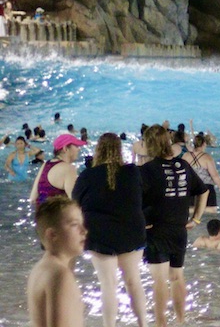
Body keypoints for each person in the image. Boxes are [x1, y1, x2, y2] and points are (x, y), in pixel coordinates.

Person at [71, 133, 148, 327]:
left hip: (99, 235)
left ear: (98, 150)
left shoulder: (87, 175)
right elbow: (144, 199)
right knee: (133, 282)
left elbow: (74, 204)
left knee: (108, 285)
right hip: (131, 231)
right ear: (119, 150)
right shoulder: (132, 172)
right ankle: (143, 324)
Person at [139, 123, 207, 326]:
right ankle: (180, 320)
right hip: (180, 229)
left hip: (156, 229)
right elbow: (203, 191)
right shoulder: (183, 165)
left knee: (159, 280)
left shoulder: (147, 170)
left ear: (150, 145)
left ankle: (161, 323)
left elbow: (133, 200)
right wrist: (196, 218)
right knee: (177, 276)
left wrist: (139, 223)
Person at [27, 196, 87, 327]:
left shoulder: (40, 269)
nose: (84, 231)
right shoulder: (60, 275)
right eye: (74, 225)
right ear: (52, 235)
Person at [30, 134, 86, 206]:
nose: (79, 149)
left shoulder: (45, 165)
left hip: (42, 215)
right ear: (65, 148)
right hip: (60, 216)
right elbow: (75, 202)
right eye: (76, 146)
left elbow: (33, 198)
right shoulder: (69, 169)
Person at [183, 133, 220, 213]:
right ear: (204, 144)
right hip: (206, 187)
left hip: (190, 186)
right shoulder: (207, 157)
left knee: (189, 209)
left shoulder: (186, 156)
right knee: (212, 210)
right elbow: (214, 175)